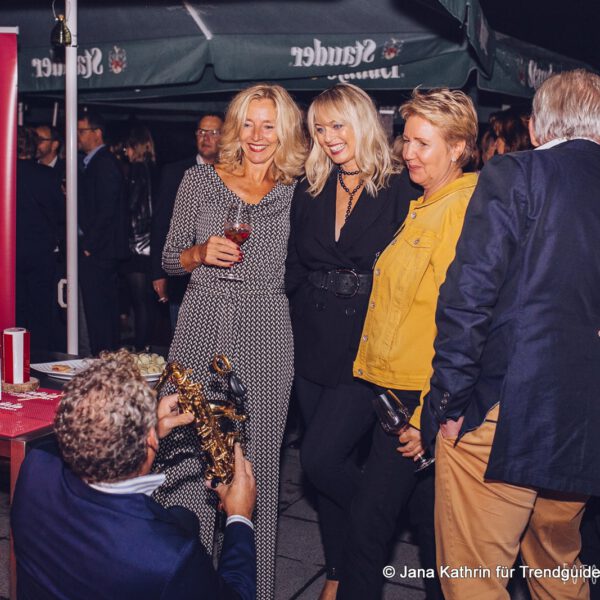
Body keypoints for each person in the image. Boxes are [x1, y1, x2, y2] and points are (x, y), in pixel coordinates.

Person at [420, 69, 600, 600]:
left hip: (506, 410)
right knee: (558, 566)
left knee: (474, 577)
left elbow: (468, 294)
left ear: (538, 127)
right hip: (584, 418)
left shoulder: (515, 173)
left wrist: (449, 400)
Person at [153, 84, 306, 600]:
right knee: (186, 454)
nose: (257, 136)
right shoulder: (199, 180)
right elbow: (169, 257)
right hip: (201, 321)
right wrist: (199, 253)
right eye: (248, 123)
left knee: (253, 462)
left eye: (269, 125)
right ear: (234, 127)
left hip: (266, 330)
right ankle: (182, 582)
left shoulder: (298, 191)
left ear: (285, 131)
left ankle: (251, 591)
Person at [338, 88, 478, 600]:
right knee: (431, 530)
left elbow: (465, 324)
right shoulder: (427, 204)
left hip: (420, 398)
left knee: (366, 530)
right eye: (407, 140)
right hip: (398, 392)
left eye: (423, 143)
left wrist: (427, 416)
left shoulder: (461, 212)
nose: (408, 152)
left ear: (458, 147)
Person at [285, 83, 419, 600]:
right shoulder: (311, 186)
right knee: (324, 475)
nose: (329, 137)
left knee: (319, 459)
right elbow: (295, 266)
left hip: (367, 343)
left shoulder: (401, 187)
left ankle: (389, 511)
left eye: (338, 125)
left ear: (362, 122)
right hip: (311, 338)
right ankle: (339, 571)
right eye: (319, 128)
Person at [11, 349, 257, 600]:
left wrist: (149, 431)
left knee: (184, 518)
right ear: (150, 439)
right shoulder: (169, 556)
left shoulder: (34, 468)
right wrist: (239, 516)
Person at [151, 112, 224, 329]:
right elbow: (160, 224)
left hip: (221, 277)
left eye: (213, 132)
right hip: (183, 276)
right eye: (201, 132)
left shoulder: (236, 174)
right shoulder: (175, 172)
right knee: (183, 337)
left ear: (225, 137)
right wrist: (158, 273)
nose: (206, 138)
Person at [77, 111, 129, 355]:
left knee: (100, 310)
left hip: (100, 250)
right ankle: (104, 357)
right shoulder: (92, 162)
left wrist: (90, 245)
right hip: (99, 248)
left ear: (97, 133)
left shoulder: (104, 162)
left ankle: (104, 359)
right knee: (99, 308)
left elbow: (107, 209)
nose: (77, 137)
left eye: (82, 131)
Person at [15, 126, 64, 353]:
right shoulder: (47, 175)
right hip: (41, 253)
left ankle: (14, 357)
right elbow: (60, 214)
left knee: (15, 309)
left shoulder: (6, 173)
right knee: (41, 311)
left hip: (11, 253)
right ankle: (38, 358)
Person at [122, 123, 159, 350]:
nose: (125, 152)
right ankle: (145, 345)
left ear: (136, 146)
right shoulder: (155, 168)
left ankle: (140, 346)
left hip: (137, 242)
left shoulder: (137, 170)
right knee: (146, 299)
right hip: (151, 242)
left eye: (127, 147)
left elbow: (131, 205)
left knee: (139, 300)